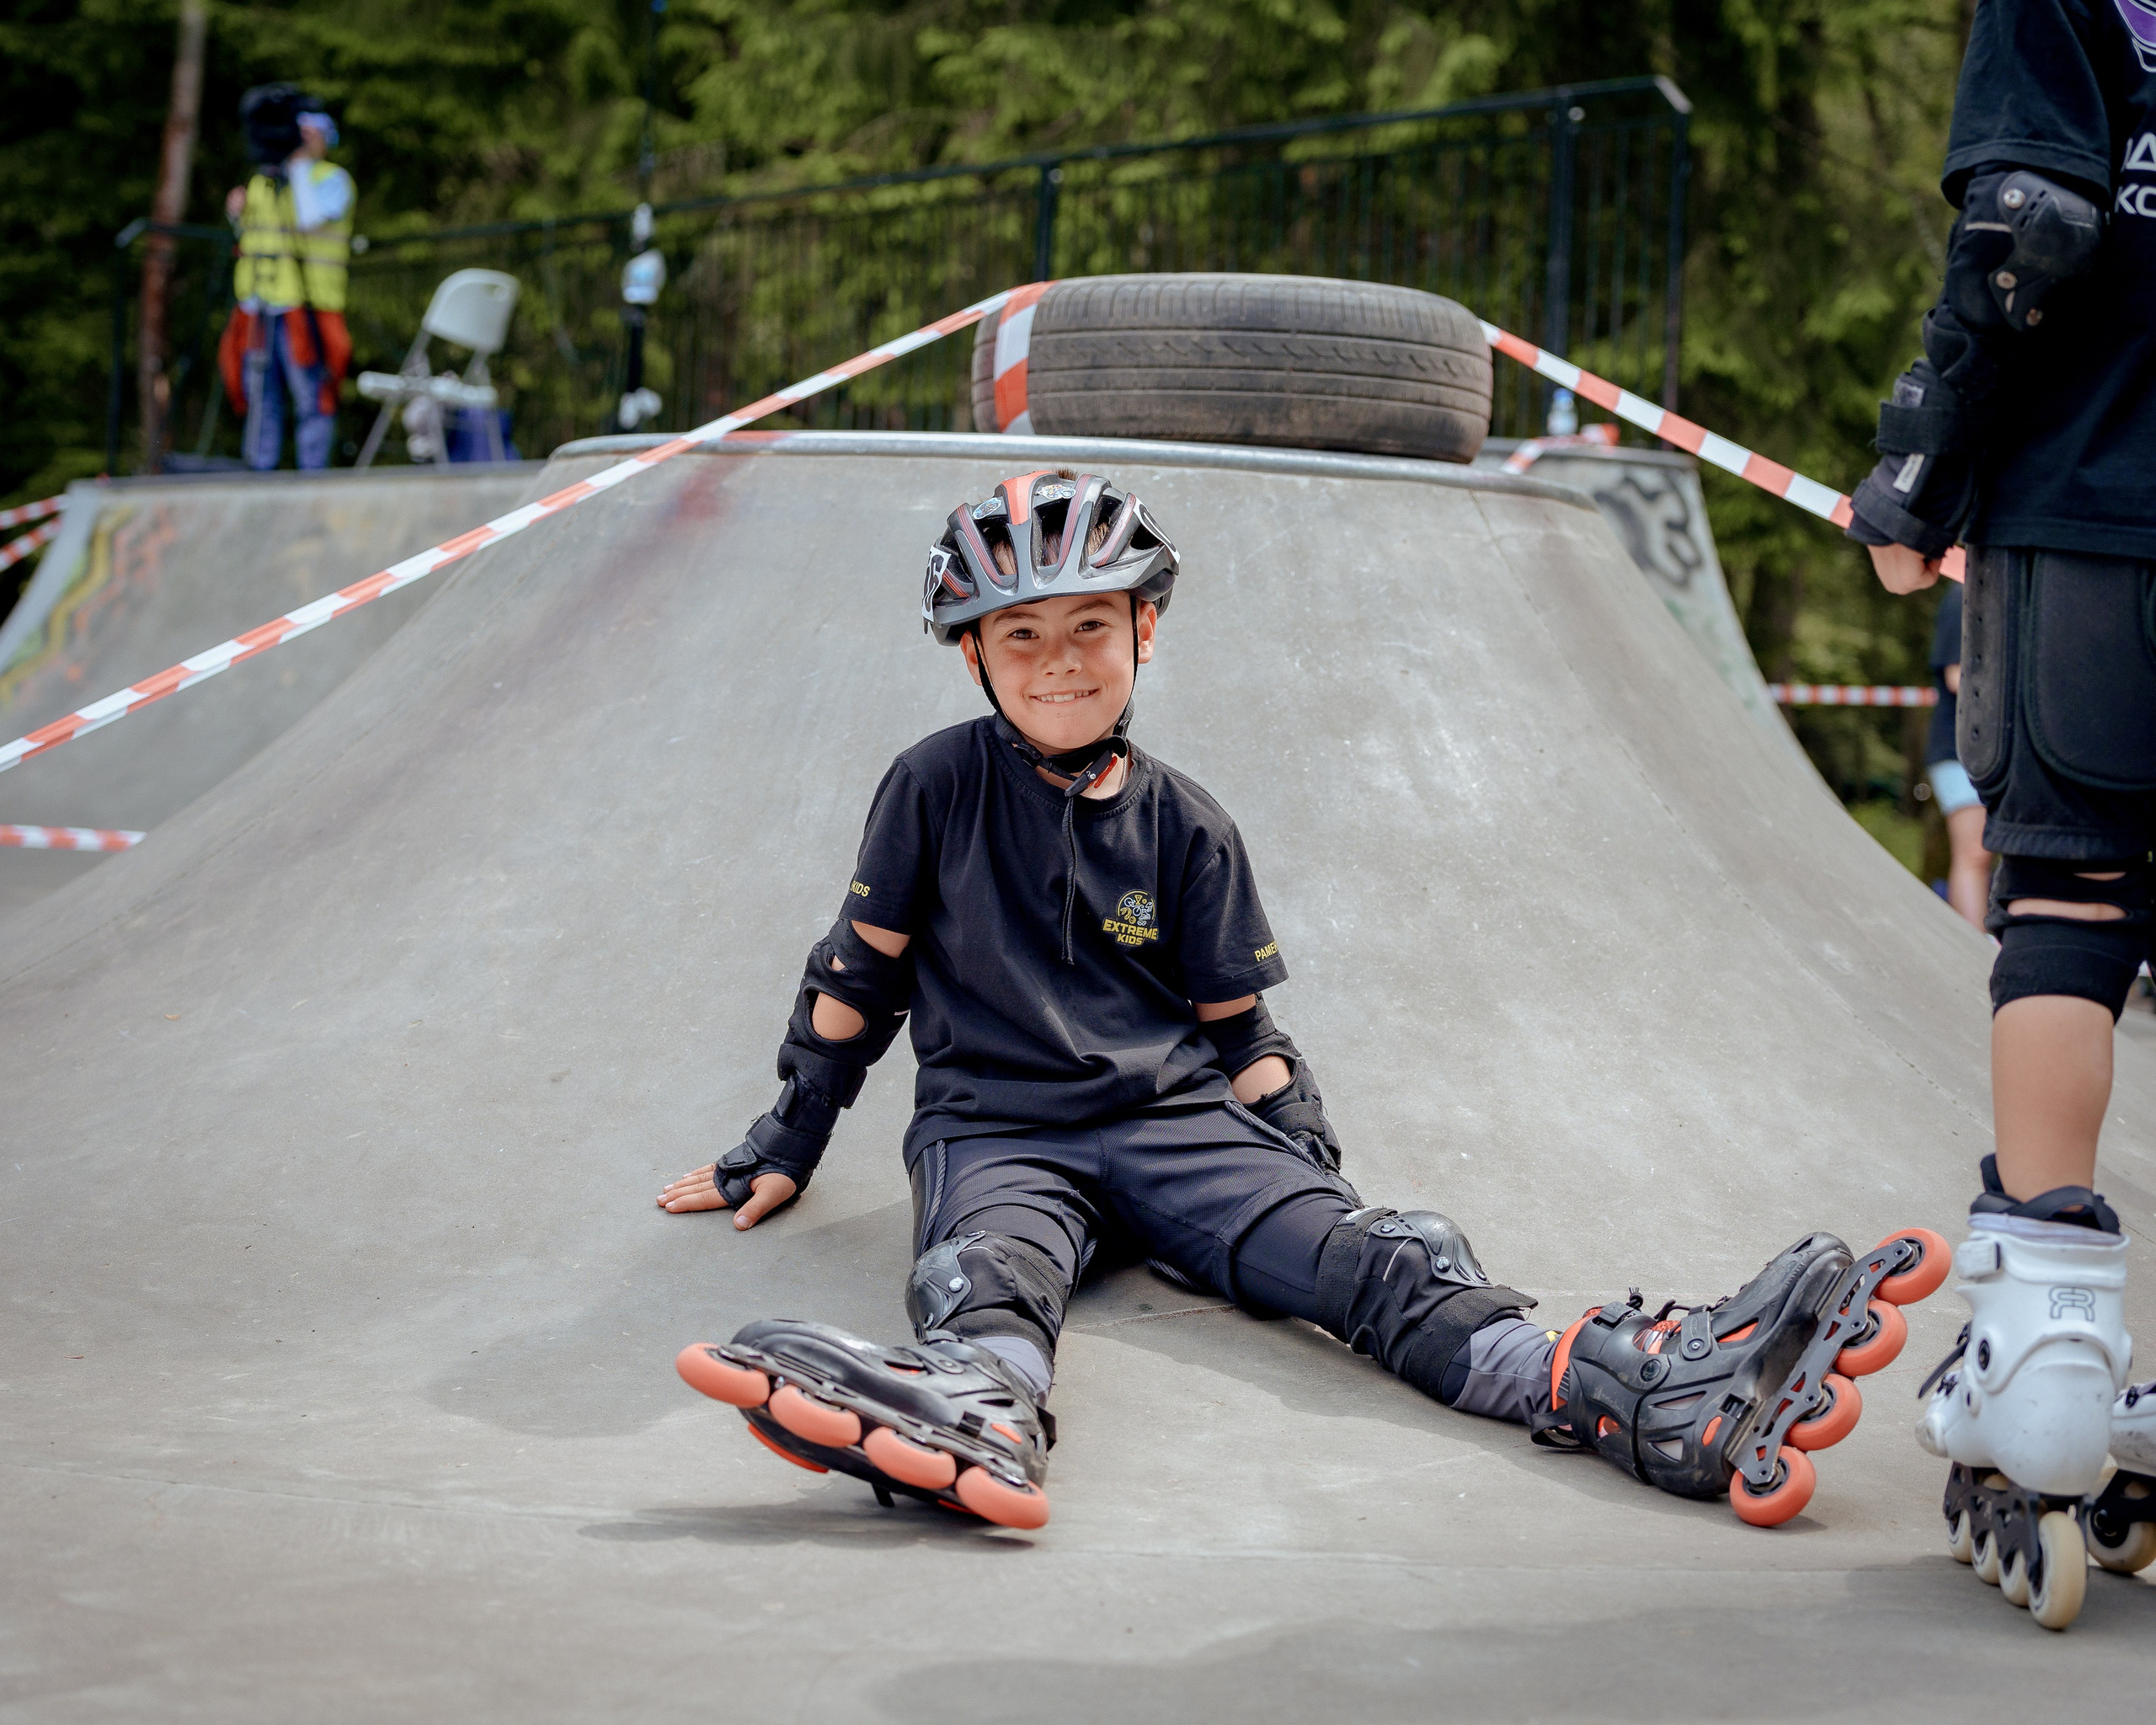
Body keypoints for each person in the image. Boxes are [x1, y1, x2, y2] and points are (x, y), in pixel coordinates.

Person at [660, 467, 1945, 1532]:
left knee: (1386, 1262)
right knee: (983, 1272)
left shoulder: (1188, 826)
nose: (1059, 663)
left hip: (1179, 1127)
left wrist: (1309, 1198)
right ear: (974, 654)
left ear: (1144, 631)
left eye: (1090, 628)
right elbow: (855, 974)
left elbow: (1244, 1041)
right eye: (1022, 637)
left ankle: (1616, 1389)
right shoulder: (933, 785)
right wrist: (788, 1137)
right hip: (999, 1130)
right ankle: (979, 1413)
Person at [1844, 0, 2154, 1626]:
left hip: (2095, 510)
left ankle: (2042, 1366)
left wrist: (1927, 455)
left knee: (2073, 906)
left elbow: (2027, 222)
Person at [216, 85, 355, 472]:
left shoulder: (332, 179)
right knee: (261, 393)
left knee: (312, 394)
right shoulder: (263, 180)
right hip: (260, 302)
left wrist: (298, 166)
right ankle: (259, 471)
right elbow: (253, 231)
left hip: (308, 304)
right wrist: (235, 213)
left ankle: (313, 474)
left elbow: (311, 220)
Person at [1924, 582, 1993, 927]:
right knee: (1974, 853)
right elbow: (1956, 675)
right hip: (1958, 750)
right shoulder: (1963, 594)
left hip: (1995, 751)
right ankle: (1974, 946)